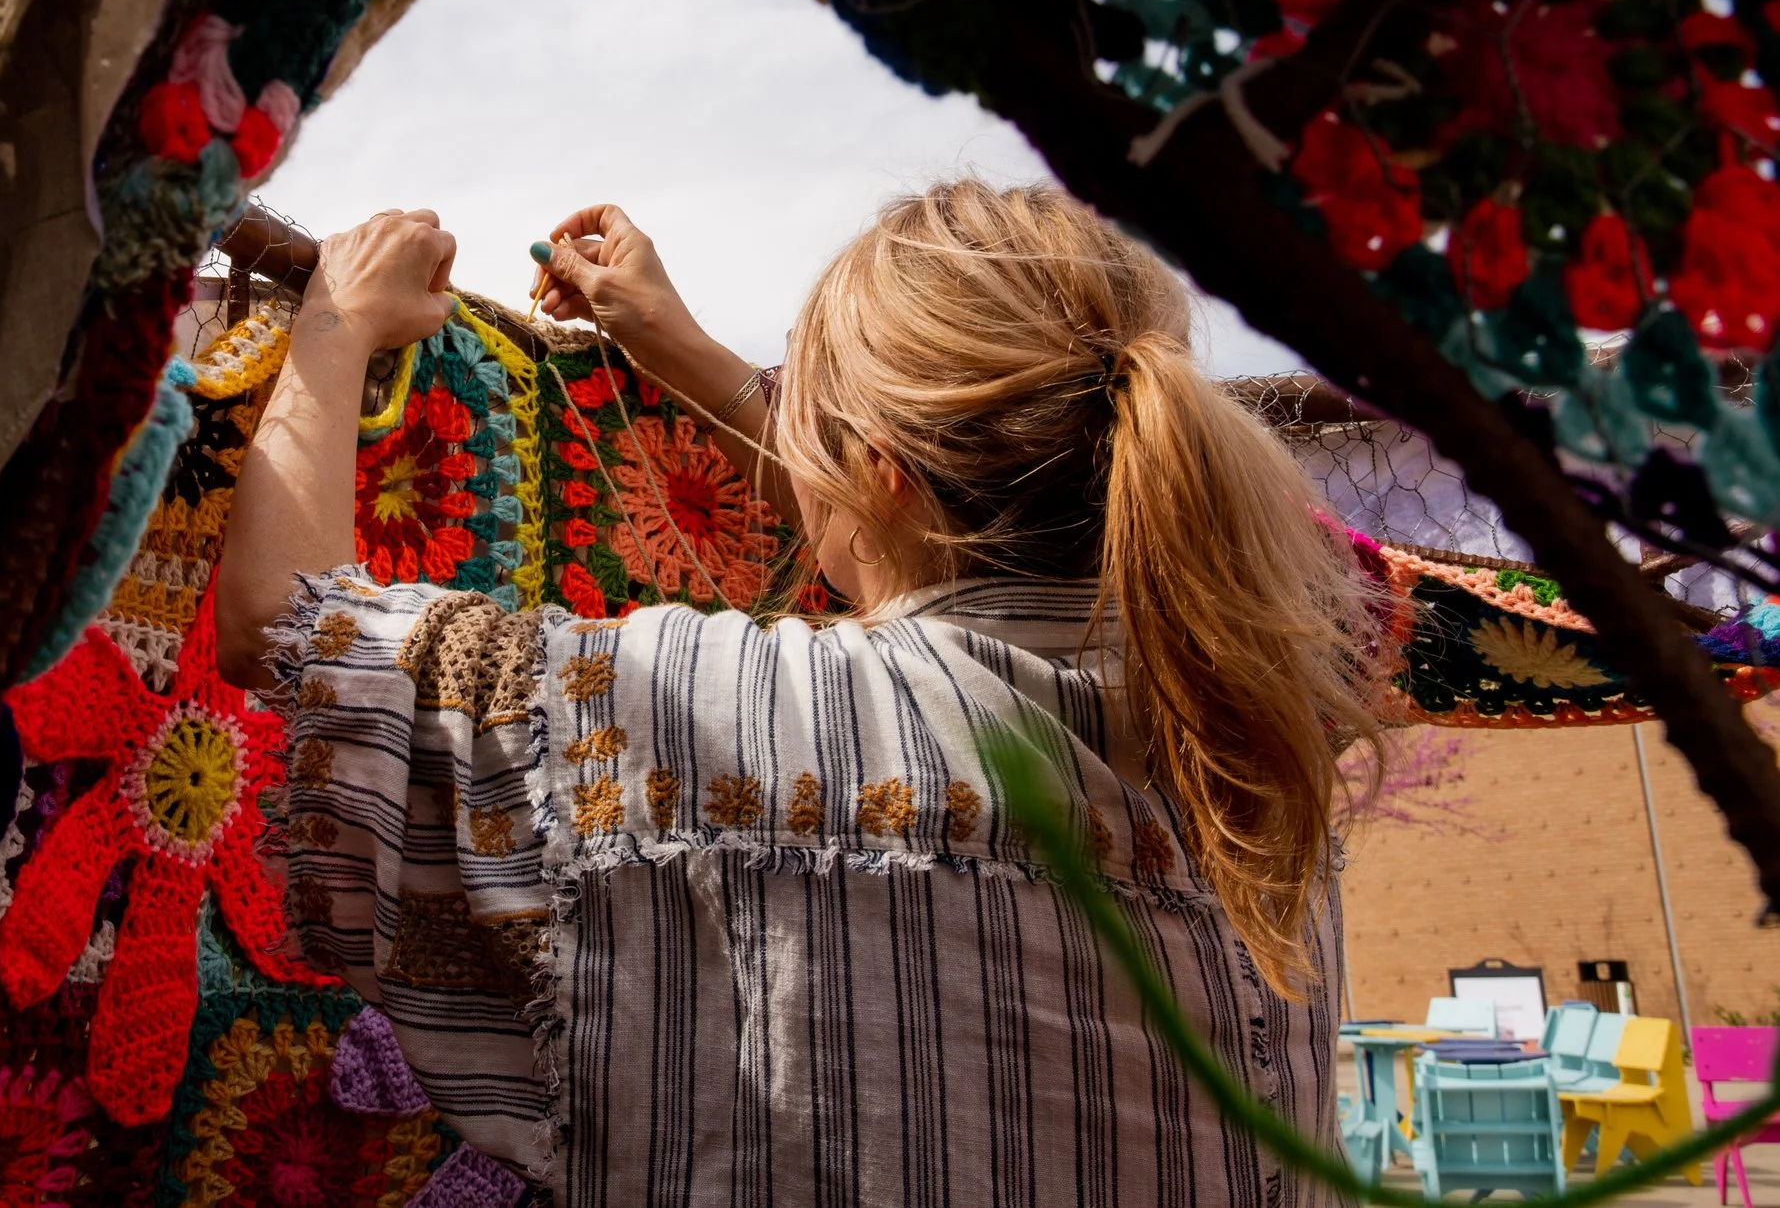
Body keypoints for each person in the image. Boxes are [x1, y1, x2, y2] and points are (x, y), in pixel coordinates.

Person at [214, 182, 1381, 1207]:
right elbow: (926, 501)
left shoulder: (712, 720)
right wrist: (678, 344)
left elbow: (288, 623)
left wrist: (337, 322)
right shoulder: (1260, 745)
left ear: (877, 467)